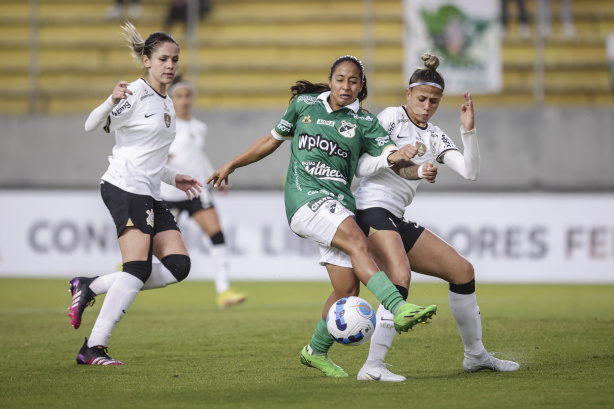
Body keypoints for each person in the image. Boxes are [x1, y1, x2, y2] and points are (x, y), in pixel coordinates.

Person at [208, 55, 437, 378]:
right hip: (305, 198)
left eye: (353, 81)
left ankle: (314, 350)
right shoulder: (304, 105)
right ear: (330, 80)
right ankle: (398, 307)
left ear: (361, 87)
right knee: (360, 242)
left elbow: (392, 159)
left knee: (347, 290)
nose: (346, 85)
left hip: (339, 205)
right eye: (341, 79)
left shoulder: (365, 123)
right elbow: (270, 141)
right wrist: (233, 163)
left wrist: (406, 162)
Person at [350, 52, 519, 382]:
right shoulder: (390, 118)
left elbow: (470, 172)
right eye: (422, 98)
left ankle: (475, 356)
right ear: (409, 93)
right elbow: (363, 165)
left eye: (434, 101)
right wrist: (407, 165)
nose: (427, 106)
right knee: (399, 276)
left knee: (462, 271)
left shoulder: (436, 136)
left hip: (394, 216)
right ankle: (372, 366)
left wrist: (468, 132)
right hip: (369, 209)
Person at [68, 22, 202, 366]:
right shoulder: (135, 94)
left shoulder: (168, 104)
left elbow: (151, 155)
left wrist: (175, 176)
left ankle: (90, 285)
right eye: (163, 59)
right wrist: (110, 99)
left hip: (150, 190)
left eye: (174, 59)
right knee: (137, 267)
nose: (170, 65)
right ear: (146, 60)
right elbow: (90, 125)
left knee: (178, 265)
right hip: (125, 186)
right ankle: (93, 347)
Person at [160, 77, 247, 309]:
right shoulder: (165, 127)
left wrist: (214, 175)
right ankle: (125, 268)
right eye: (179, 96)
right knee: (153, 243)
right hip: (170, 195)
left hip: (197, 193)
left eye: (188, 95)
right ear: (171, 99)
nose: (185, 100)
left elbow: (197, 156)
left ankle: (223, 291)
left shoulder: (199, 127)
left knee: (217, 236)